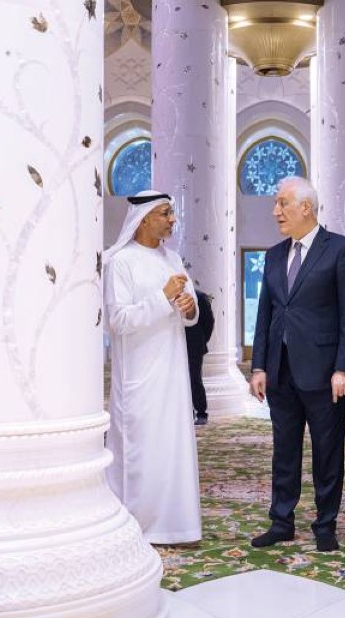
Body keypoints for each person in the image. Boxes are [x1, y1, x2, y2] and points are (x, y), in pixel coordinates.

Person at [248, 176, 345, 552]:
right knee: (284, 450)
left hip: (325, 373)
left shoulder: (341, 250)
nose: (275, 211)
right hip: (280, 372)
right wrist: (259, 367)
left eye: (282, 203)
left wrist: (344, 368)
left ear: (306, 207)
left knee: (327, 451)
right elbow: (265, 315)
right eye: (276, 203)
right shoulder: (273, 255)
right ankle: (281, 521)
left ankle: (325, 524)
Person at [103, 190, 202, 544]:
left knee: (172, 448)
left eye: (171, 213)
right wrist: (163, 297)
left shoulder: (172, 258)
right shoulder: (121, 262)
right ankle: (137, 524)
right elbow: (118, 321)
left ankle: (176, 525)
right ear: (143, 219)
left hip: (173, 373)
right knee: (141, 451)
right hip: (139, 376)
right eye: (165, 213)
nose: (172, 220)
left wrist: (189, 308)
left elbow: (190, 314)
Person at [184, 288, 215, 425]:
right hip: (176, 346)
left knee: (194, 378)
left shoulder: (199, 296)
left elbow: (209, 322)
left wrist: (201, 340)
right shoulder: (171, 297)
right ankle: (186, 412)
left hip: (194, 345)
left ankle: (201, 412)